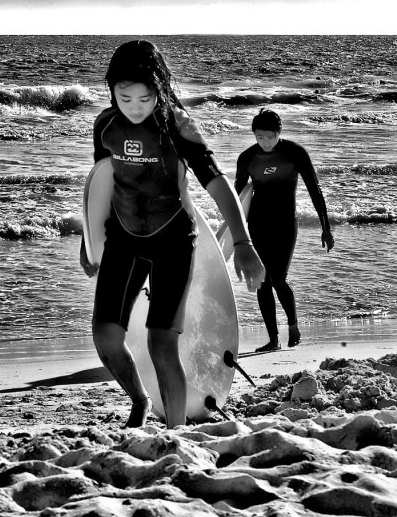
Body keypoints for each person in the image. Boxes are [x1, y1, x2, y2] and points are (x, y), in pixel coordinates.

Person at [80, 40, 265, 429]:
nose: (134, 106)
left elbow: (216, 183)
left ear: (160, 89)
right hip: (123, 237)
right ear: (111, 89)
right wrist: (89, 240)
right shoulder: (105, 126)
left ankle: (176, 432)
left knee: (160, 342)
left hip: (172, 240)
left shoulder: (178, 127)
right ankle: (140, 400)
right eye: (124, 96)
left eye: (145, 98)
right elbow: (100, 186)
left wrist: (244, 243)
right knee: (106, 337)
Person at [235, 108, 334, 353]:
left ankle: (293, 326)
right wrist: (234, 235)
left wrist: (326, 227)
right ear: (254, 135)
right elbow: (237, 198)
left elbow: (315, 189)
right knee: (261, 282)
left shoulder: (295, 153)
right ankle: (272, 339)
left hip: (285, 224)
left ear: (279, 133)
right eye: (260, 137)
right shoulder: (246, 158)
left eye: (270, 137)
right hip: (257, 224)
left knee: (278, 278)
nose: (265, 142)